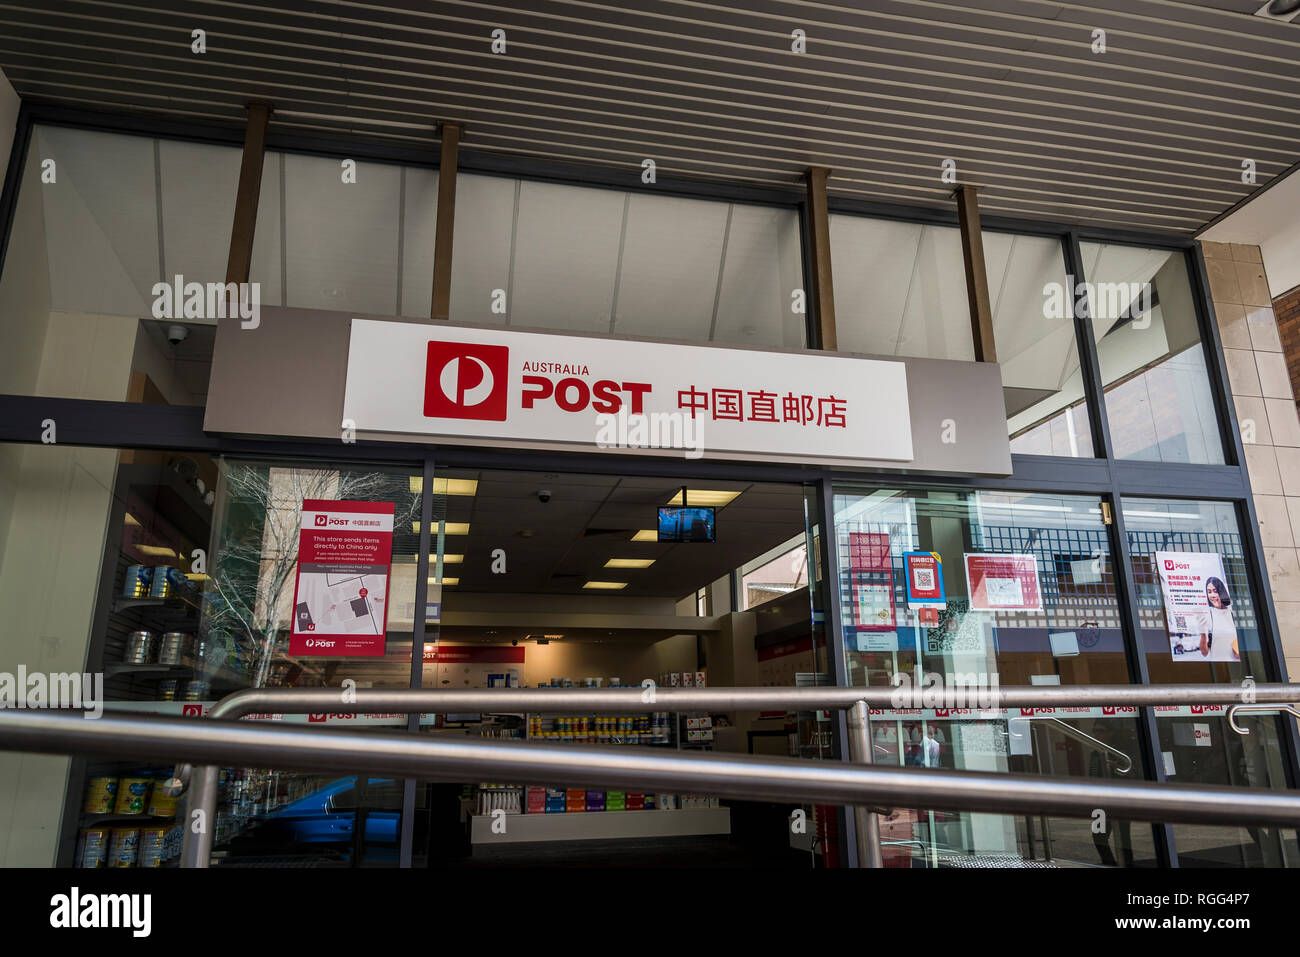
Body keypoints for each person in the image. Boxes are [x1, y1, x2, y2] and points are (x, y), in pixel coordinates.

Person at [1199, 576, 1240, 662]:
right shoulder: (1207, 616)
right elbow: (1204, 653)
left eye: (1215, 591)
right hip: (1217, 666)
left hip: (1235, 664)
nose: (1212, 595)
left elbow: (1237, 651)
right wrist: (1202, 632)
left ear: (1221, 592)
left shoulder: (1232, 614)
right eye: (1209, 592)